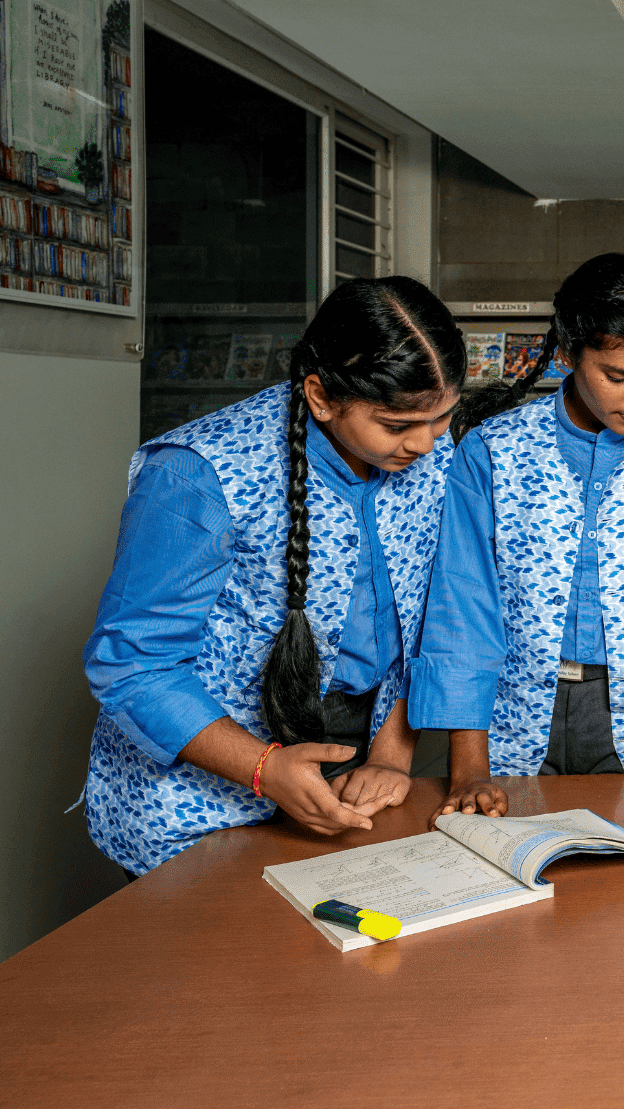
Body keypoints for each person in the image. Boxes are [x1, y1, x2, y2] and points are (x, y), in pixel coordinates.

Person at [83, 277, 466, 875]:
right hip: (205, 778)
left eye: (442, 417)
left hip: (351, 751)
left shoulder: (426, 449)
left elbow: (419, 618)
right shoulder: (195, 475)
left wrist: (390, 758)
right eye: (396, 425)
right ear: (320, 396)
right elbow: (133, 664)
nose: (424, 443)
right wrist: (264, 769)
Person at [411, 253, 624, 818]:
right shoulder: (491, 452)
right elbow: (463, 609)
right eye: (618, 377)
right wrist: (470, 768)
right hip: (511, 713)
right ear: (569, 351)